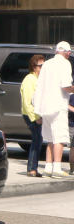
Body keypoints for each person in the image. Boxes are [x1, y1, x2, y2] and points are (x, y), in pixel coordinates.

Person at [33, 41, 74, 178]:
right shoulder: (65, 64)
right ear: (66, 52)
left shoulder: (47, 64)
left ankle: (48, 167)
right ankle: (57, 167)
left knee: (50, 138)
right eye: (69, 52)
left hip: (45, 106)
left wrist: (37, 108)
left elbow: (39, 86)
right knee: (60, 138)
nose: (69, 54)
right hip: (58, 105)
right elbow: (66, 86)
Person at [20, 54, 45, 177]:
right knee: (37, 140)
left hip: (37, 114)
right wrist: (36, 118)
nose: (42, 68)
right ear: (34, 66)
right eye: (41, 65)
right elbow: (27, 102)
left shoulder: (38, 79)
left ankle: (33, 168)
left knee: (38, 140)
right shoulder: (29, 79)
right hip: (31, 115)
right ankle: (31, 169)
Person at [68, 94, 74, 174]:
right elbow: (68, 106)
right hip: (73, 125)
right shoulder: (72, 96)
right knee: (73, 147)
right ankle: (72, 169)